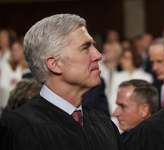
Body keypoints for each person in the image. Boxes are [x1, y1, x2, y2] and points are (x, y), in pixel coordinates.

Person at [0, 14, 122, 150]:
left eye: (93, 46)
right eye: (85, 48)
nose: (98, 55)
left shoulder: (105, 125)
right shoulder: (16, 128)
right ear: (54, 64)